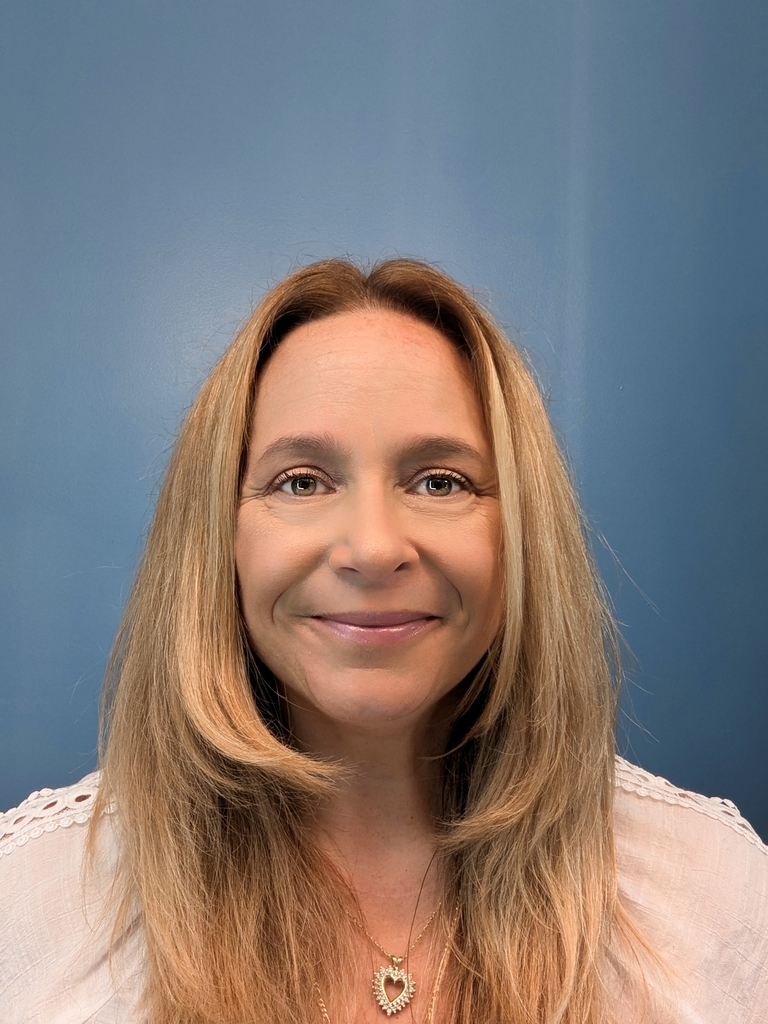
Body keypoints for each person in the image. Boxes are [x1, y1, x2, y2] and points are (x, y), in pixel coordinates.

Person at [1, 258, 766, 1024]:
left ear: (523, 538)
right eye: (301, 481)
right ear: (217, 540)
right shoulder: (32, 909)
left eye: (441, 482)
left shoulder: (714, 899)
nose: (372, 549)